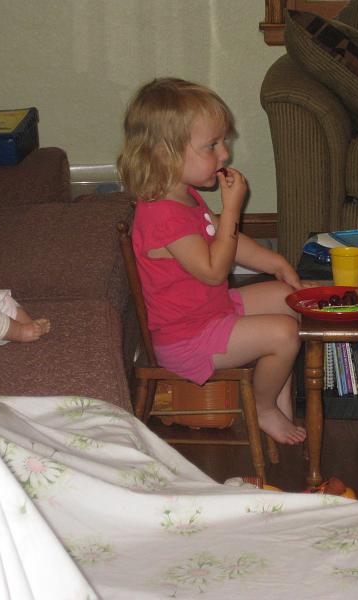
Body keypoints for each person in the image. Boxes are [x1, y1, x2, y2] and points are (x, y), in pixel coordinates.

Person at [117, 77, 309, 445]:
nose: (224, 155)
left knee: (289, 299)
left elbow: (221, 236)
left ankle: (279, 400)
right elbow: (214, 270)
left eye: (223, 143)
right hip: (187, 338)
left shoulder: (183, 195)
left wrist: (275, 263)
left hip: (211, 312)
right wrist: (233, 208)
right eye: (211, 146)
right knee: (284, 334)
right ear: (165, 154)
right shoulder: (162, 215)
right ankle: (263, 406)